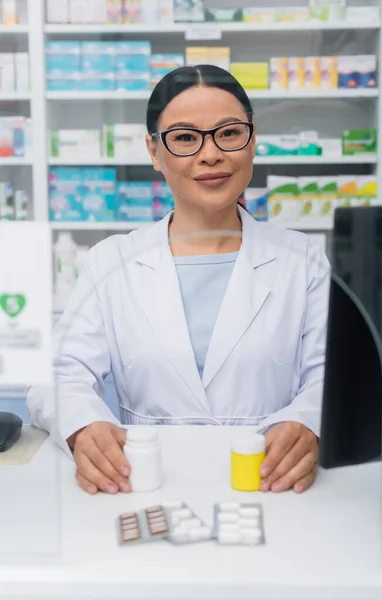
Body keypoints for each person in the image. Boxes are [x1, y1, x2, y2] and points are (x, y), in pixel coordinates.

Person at [28, 65, 330, 497]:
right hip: (147, 486)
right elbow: (57, 374)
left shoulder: (303, 261)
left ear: (252, 140)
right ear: (154, 152)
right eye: (185, 138)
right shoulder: (112, 261)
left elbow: (329, 375)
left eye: (228, 133)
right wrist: (83, 424)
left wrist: (308, 421)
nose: (210, 154)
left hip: (270, 483)